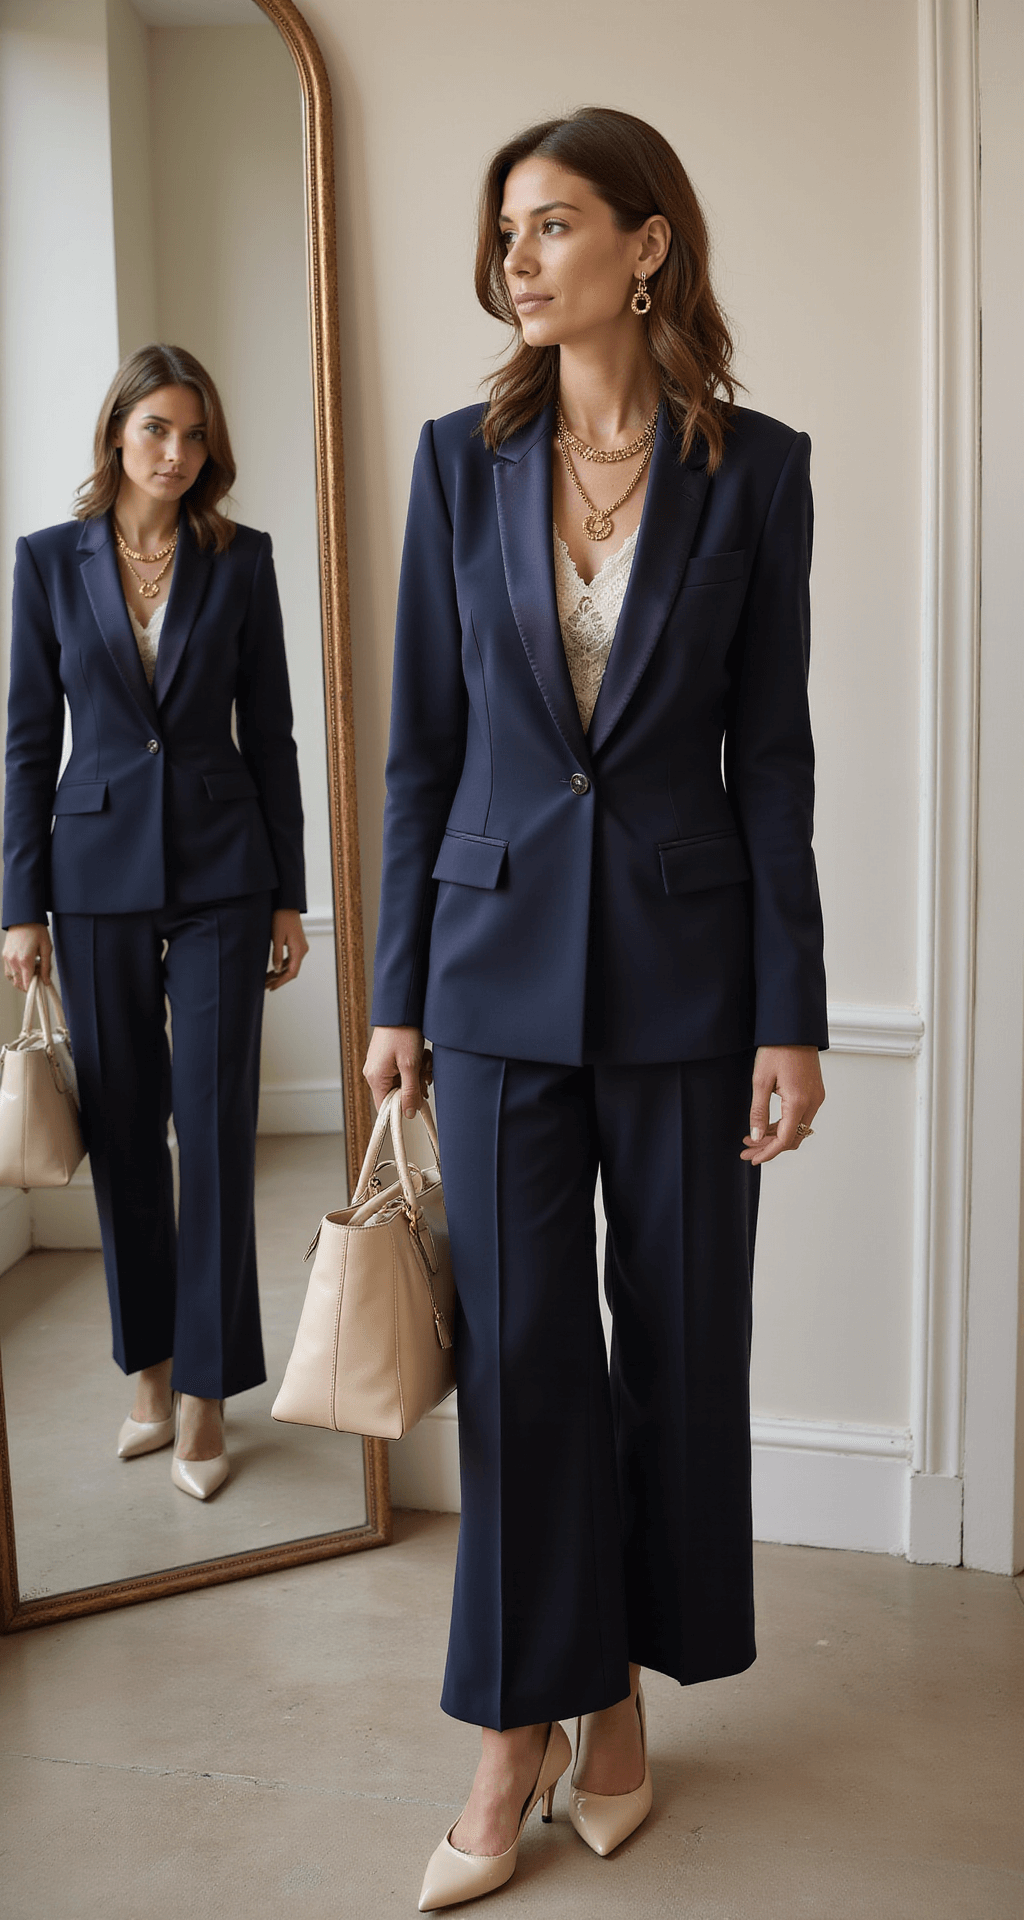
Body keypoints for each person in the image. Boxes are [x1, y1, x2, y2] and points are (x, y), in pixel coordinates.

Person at [364, 107, 827, 1909]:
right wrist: (395, 987)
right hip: (482, 984)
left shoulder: (754, 471)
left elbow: (769, 760)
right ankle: (511, 1739)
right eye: (504, 232)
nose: (518, 256)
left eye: (551, 225)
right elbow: (419, 752)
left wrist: (787, 1008)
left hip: (691, 985)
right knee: (528, 1365)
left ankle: (618, 1698)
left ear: (643, 245)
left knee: (677, 1350)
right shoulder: (453, 460)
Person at [2, 343, 308, 1501]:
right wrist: (15, 906)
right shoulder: (45, 562)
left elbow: (271, 730)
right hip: (90, 878)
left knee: (215, 1130)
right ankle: (147, 1369)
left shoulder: (243, 560)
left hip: (227, 871)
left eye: (194, 436)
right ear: (116, 437)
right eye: (155, 433)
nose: (176, 455)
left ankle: (206, 1396)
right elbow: (30, 741)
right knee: (125, 1131)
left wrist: (289, 891)